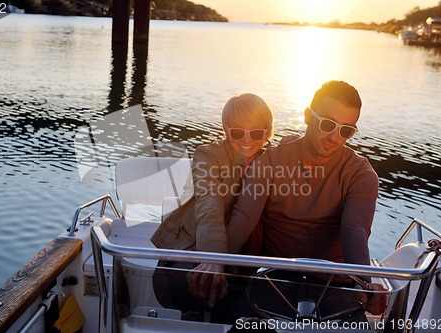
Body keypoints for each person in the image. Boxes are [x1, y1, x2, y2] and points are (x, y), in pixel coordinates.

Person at [188, 80, 386, 321]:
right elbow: (244, 217)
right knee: (238, 322)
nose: (334, 137)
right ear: (307, 116)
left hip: (336, 283)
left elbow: (355, 229)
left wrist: (363, 282)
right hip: (273, 277)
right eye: (327, 124)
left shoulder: (361, 174)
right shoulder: (269, 162)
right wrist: (217, 261)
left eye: (346, 130)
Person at [150, 93, 275, 316]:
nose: (246, 140)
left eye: (256, 133)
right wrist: (214, 260)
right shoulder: (208, 155)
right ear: (225, 128)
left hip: (246, 259)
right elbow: (209, 205)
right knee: (203, 285)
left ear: (267, 132)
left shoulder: (273, 160)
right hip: (195, 249)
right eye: (237, 132)